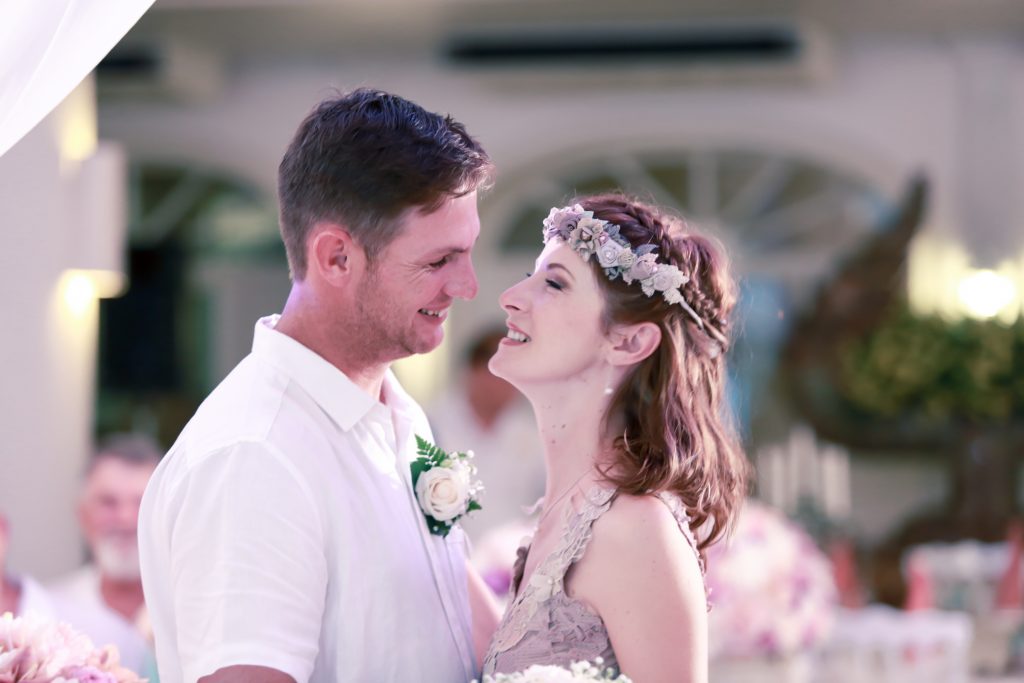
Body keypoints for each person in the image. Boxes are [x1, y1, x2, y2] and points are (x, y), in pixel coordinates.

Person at [139, 88, 497, 683]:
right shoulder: (255, 457)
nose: (468, 286)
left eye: (468, 254)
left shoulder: (394, 412)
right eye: (438, 262)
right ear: (335, 258)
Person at [482, 194, 750, 682]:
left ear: (628, 342)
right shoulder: (564, 513)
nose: (512, 297)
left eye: (555, 284)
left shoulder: (636, 530)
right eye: (532, 274)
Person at [428, 326, 545, 542]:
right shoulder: (431, 425)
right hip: (447, 554)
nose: (508, 385)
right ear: (474, 371)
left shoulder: (535, 433)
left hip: (509, 560)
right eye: (500, 374)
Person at [52, 433, 160, 643]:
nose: (126, 519)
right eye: (108, 503)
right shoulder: (47, 612)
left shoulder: (193, 608)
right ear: (83, 514)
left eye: (141, 502)